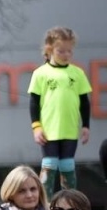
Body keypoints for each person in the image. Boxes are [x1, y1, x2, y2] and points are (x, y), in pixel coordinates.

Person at [28, 25, 93, 194]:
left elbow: (84, 103)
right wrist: (36, 127)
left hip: (70, 130)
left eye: (69, 51)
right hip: (49, 130)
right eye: (61, 51)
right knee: (49, 164)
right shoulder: (41, 73)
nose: (66, 55)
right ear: (49, 49)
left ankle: (69, 203)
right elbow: (34, 103)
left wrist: (86, 126)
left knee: (67, 165)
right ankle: (44, 206)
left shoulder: (77, 73)